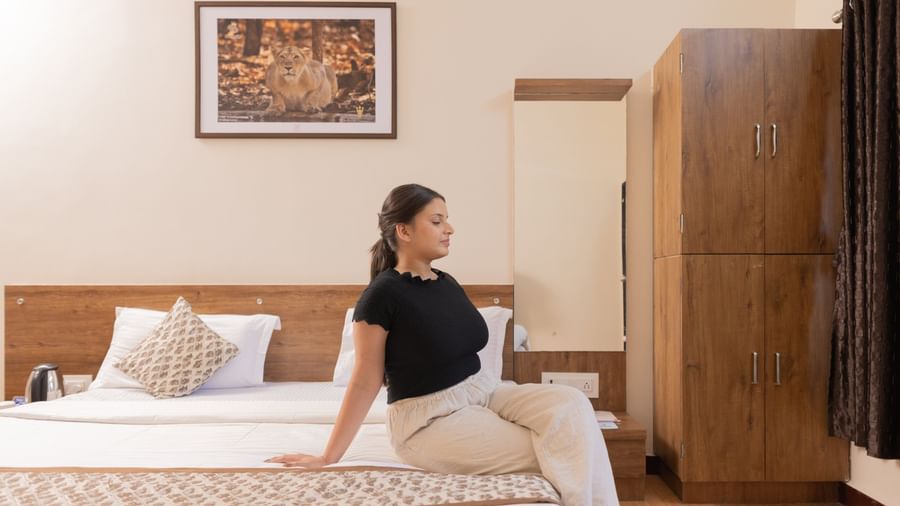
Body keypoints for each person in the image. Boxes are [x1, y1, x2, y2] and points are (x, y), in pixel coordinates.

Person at [267, 183, 618, 505]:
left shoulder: (446, 281)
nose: (449, 229)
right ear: (403, 231)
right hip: (429, 421)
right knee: (563, 446)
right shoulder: (381, 296)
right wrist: (329, 456)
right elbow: (364, 379)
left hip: (484, 391)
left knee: (572, 406)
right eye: (437, 221)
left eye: (446, 220)